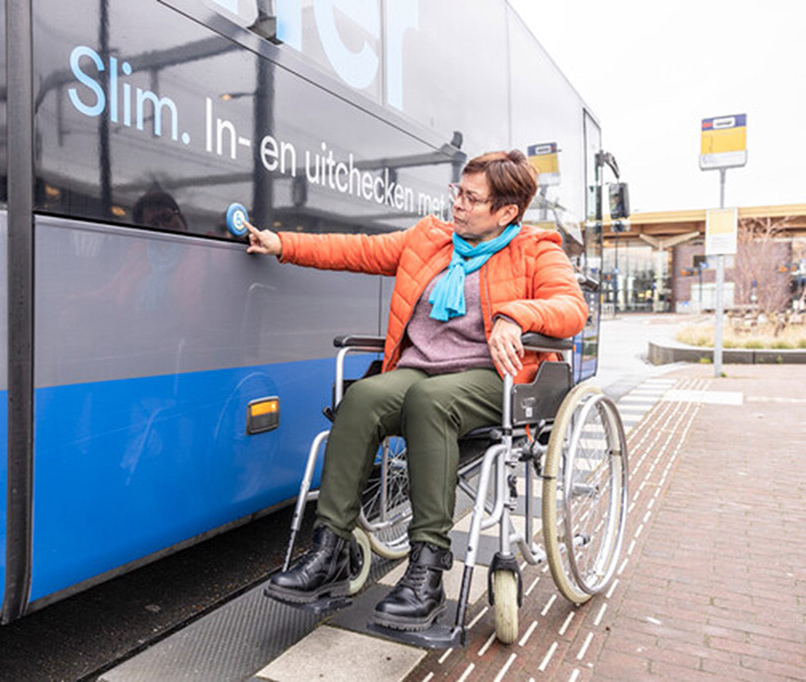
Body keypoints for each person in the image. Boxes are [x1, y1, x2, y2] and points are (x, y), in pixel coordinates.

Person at [244, 150, 587, 631]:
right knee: (362, 397)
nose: (459, 205)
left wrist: (518, 316)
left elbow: (571, 309)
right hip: (422, 368)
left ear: (507, 212)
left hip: (493, 376)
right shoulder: (430, 240)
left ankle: (427, 571)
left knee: (431, 402)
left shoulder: (537, 249)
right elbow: (354, 251)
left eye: (472, 198)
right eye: (458, 192)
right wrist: (282, 243)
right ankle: (330, 551)